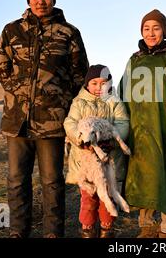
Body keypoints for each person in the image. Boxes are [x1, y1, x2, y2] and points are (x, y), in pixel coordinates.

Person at [0, 0, 89, 238]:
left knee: (52, 181)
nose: (41, 1)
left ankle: (52, 233)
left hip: (52, 122)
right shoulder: (11, 30)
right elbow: (2, 67)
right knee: (16, 181)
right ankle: (18, 231)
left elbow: (79, 74)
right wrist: (21, 94)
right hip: (17, 121)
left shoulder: (69, 32)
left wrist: (59, 100)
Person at [119, 9, 166, 238]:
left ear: (164, 30)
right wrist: (119, 121)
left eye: (156, 28)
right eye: (146, 28)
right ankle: (147, 225)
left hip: (165, 127)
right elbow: (122, 92)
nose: (151, 33)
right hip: (138, 130)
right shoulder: (135, 59)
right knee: (143, 175)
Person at [64, 64, 129, 238]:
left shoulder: (115, 102)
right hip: (85, 162)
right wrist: (79, 139)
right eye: (94, 83)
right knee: (88, 199)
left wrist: (111, 142)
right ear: (87, 84)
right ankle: (87, 230)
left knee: (107, 197)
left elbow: (122, 123)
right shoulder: (79, 103)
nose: (99, 87)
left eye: (103, 83)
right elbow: (69, 123)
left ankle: (107, 230)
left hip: (109, 161)